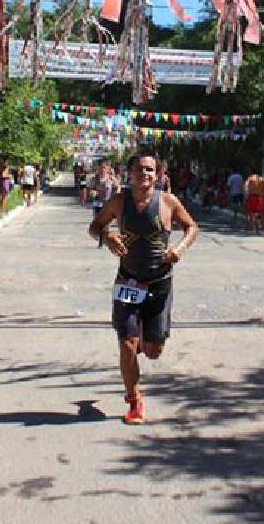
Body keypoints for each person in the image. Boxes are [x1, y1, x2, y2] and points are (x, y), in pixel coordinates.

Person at [89, 152, 199, 425]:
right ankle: (134, 401)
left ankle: (141, 339)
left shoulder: (168, 201)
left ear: (158, 174)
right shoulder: (118, 201)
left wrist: (179, 249)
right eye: (139, 169)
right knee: (127, 345)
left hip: (159, 283)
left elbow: (192, 227)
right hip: (127, 279)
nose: (145, 174)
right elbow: (94, 226)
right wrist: (106, 236)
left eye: (150, 170)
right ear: (130, 173)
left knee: (152, 351)